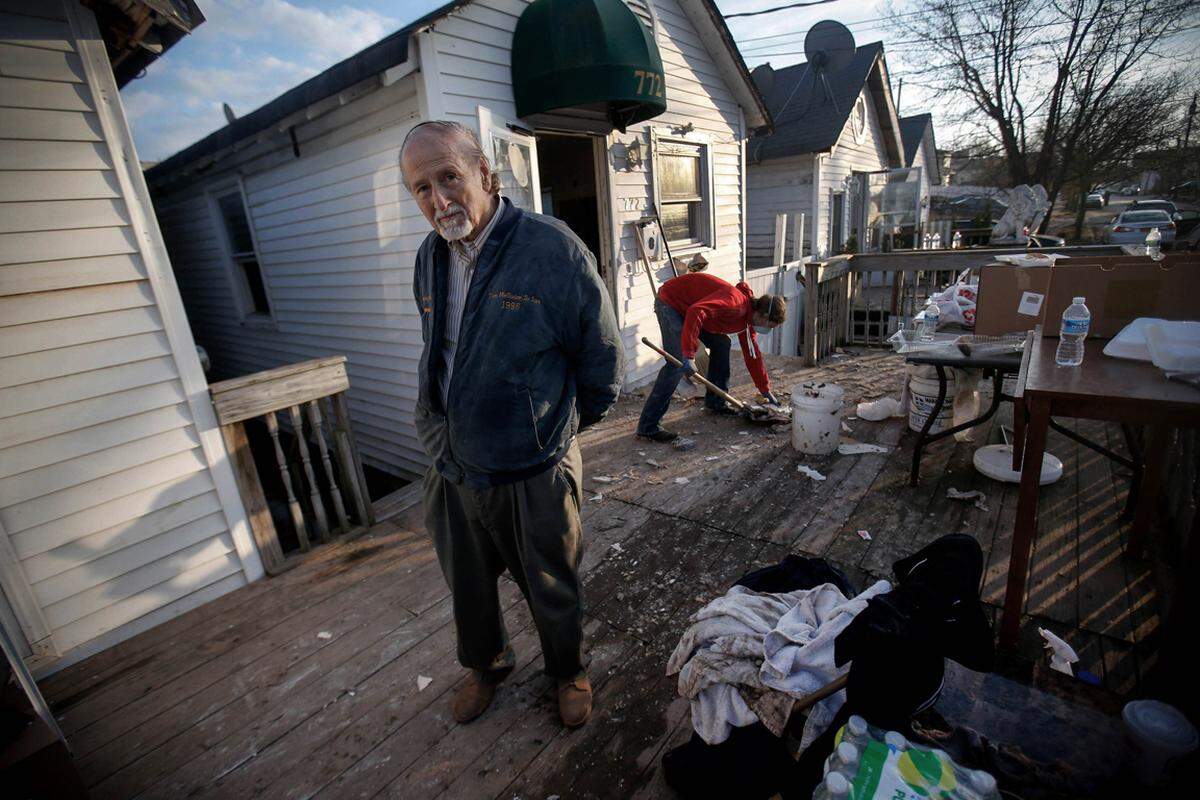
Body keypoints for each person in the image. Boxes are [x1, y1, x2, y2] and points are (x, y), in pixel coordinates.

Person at [402, 120, 623, 729]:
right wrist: (437, 433)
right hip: (452, 459)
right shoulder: (429, 257)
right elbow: (440, 350)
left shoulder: (551, 249)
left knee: (551, 581)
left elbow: (602, 360)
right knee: (468, 584)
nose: (439, 199)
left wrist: (554, 434)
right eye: (421, 188)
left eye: (449, 177)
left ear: (486, 174)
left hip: (534, 463)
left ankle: (568, 671)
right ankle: (487, 665)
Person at [637, 273, 785, 442]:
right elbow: (696, 311)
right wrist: (688, 355)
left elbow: (753, 355)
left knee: (721, 344)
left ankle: (716, 403)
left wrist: (765, 389)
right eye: (770, 326)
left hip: (690, 307)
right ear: (764, 316)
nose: (768, 329)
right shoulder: (735, 305)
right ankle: (648, 426)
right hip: (671, 303)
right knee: (676, 363)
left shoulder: (747, 319)